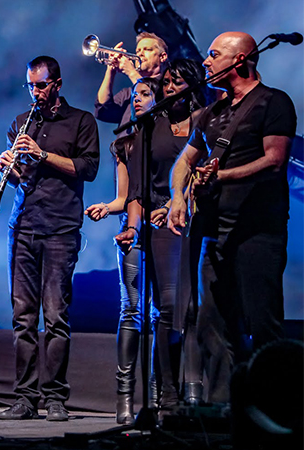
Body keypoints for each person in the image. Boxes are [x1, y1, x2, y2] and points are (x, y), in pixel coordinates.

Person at [168, 32, 296, 404]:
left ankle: (273, 409)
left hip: (258, 231)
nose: (205, 62)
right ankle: (224, 410)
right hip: (213, 230)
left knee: (262, 322)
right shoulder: (212, 111)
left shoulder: (274, 102)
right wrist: (178, 195)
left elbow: (274, 160)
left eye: (213, 55)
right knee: (212, 324)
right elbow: (185, 160)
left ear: (239, 60)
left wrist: (221, 175)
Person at [0, 56, 99, 421]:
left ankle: (55, 397)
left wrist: (44, 154)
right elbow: (21, 178)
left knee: (55, 316)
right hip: (22, 226)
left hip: (60, 227)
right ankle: (25, 397)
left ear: (56, 83)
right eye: (30, 86)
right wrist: (6, 169)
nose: (34, 92)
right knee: (23, 317)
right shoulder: (21, 123)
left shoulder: (81, 121)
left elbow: (87, 168)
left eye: (40, 85)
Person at [115, 59, 212, 415]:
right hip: (162, 225)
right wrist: (133, 226)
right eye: (167, 82)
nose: (170, 88)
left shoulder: (208, 119)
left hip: (201, 222)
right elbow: (138, 189)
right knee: (168, 310)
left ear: (193, 85)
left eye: (177, 82)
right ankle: (166, 394)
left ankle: (197, 393)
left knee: (196, 311)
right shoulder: (150, 127)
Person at [85, 77, 161, 425]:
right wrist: (107, 207)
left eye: (146, 94)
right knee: (131, 310)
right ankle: (125, 398)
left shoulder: (169, 138)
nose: (138, 100)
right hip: (131, 229)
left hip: (163, 227)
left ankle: (161, 396)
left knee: (165, 312)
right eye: (134, 96)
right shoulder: (125, 142)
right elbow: (124, 196)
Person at [95, 32, 168, 135]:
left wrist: (131, 72)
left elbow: (156, 102)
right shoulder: (128, 93)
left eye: (147, 49)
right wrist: (110, 70)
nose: (140, 54)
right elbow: (102, 110)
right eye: (138, 50)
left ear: (162, 57)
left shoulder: (168, 86)